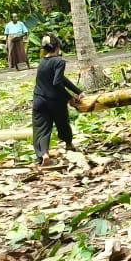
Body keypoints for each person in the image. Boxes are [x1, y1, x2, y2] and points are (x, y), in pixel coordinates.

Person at [31, 35, 81, 164]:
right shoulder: (59, 61)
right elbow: (57, 83)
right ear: (57, 47)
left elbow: (61, 79)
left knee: (41, 128)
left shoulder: (42, 62)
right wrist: (70, 98)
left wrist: (78, 91)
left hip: (39, 100)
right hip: (55, 101)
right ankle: (69, 145)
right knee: (63, 123)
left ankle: (44, 154)